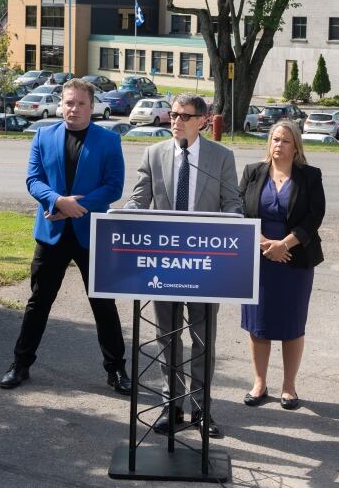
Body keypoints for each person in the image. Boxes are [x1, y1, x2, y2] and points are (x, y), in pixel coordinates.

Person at [0, 78, 132, 395]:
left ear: (92, 107)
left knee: (103, 305)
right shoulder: (44, 136)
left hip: (92, 235)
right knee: (38, 303)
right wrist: (57, 201)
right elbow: (34, 180)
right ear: (61, 104)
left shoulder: (109, 141)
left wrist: (74, 207)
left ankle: (116, 371)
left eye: (80, 103)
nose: (73, 109)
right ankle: (20, 364)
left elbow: (113, 188)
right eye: (69, 102)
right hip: (51, 233)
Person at [125, 93, 242, 438]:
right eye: (172, 114)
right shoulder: (154, 153)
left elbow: (231, 201)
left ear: (202, 120)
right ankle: (172, 405)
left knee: (202, 337)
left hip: (204, 264)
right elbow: (138, 199)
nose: (175, 121)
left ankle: (201, 408)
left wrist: (235, 226)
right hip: (163, 264)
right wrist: (125, 216)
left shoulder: (221, 157)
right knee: (167, 335)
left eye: (183, 116)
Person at [239, 121, 325, 410]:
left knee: (292, 323)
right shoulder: (253, 172)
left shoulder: (310, 176)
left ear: (296, 146)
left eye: (285, 141)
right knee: (258, 324)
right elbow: (239, 209)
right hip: (259, 260)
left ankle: (289, 386)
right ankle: (260, 382)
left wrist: (283, 245)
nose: (279, 145)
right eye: (275, 139)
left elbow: (314, 217)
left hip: (295, 260)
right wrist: (264, 243)